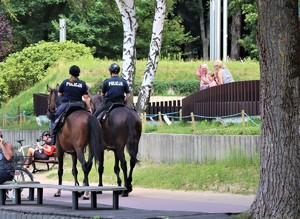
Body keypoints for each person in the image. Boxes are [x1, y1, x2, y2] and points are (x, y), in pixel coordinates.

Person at [50, 65, 92, 143]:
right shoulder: (82, 84)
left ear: (70, 73)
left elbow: (59, 95)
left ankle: (53, 137)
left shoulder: (65, 82)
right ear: (78, 74)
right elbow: (86, 98)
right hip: (79, 105)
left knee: (55, 117)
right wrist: (89, 108)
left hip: (66, 104)